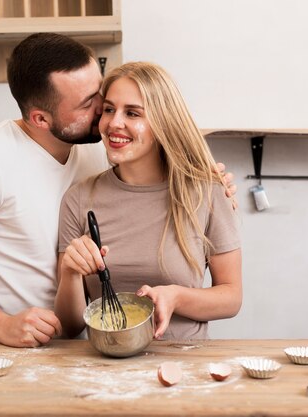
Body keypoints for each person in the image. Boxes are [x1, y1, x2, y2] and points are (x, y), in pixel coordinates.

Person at [0, 33, 237, 348]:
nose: (103, 113)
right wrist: (1, 325)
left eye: (100, 93)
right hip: (9, 347)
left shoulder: (96, 146)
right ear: (41, 118)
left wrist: (202, 179)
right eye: (89, 104)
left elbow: (152, 157)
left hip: (84, 346)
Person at [55, 62, 242, 340]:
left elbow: (231, 297)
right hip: (105, 366)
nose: (114, 123)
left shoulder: (207, 191)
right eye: (109, 109)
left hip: (184, 367)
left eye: (132, 113)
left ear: (163, 122)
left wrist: (176, 297)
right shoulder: (78, 198)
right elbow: (70, 327)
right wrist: (70, 271)